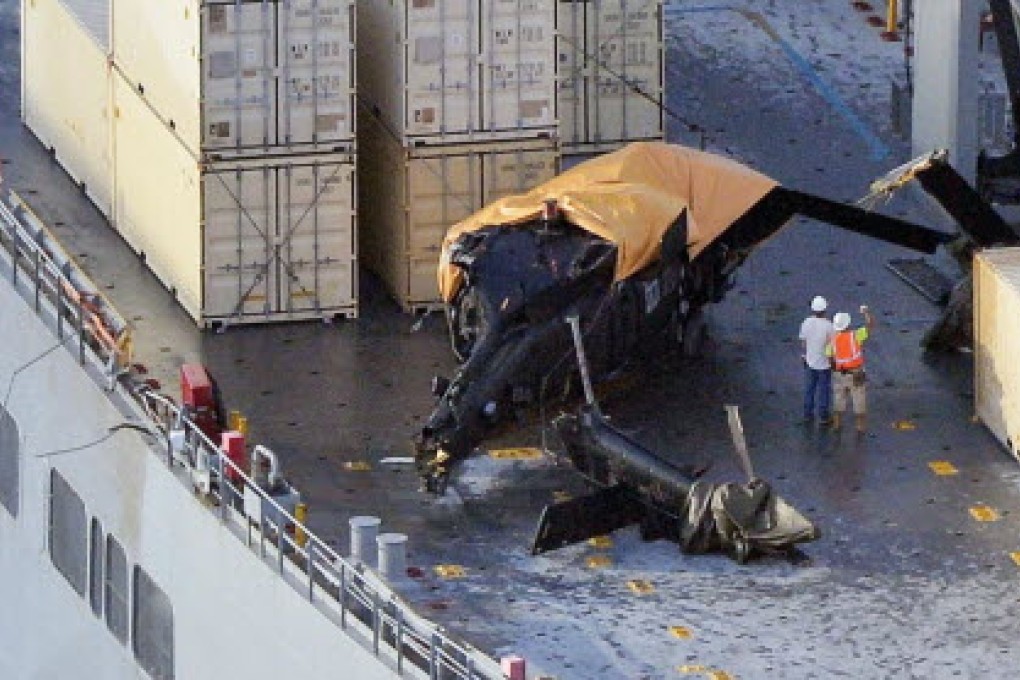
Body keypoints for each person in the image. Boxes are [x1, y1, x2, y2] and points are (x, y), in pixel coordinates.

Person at [827, 305, 875, 433]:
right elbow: (870, 326)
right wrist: (866, 312)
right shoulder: (855, 336)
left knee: (838, 398)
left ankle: (837, 424)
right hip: (856, 373)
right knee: (859, 399)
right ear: (847, 325)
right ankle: (860, 426)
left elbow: (829, 357)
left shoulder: (833, 340)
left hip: (839, 374)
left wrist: (835, 369)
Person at [798, 295, 834, 425]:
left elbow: (803, 343)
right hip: (824, 365)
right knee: (823, 390)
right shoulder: (829, 326)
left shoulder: (806, 322)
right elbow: (831, 347)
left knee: (809, 389)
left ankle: (807, 414)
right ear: (825, 309)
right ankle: (824, 416)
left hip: (810, 362)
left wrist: (806, 355)